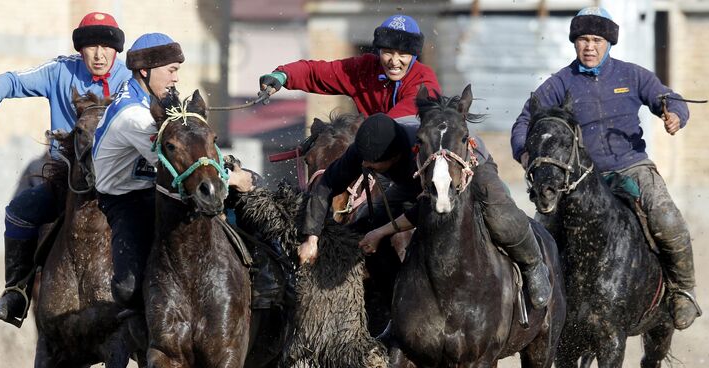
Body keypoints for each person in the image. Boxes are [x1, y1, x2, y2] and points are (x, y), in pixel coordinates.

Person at [510, 6, 701, 329]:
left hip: (631, 168)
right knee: (543, 231)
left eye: (597, 39)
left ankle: (682, 290)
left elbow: (669, 98)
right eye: (583, 39)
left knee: (666, 217)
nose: (589, 46)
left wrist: (674, 114)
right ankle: (538, 297)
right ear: (574, 42)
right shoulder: (559, 83)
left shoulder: (633, 75)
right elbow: (524, 122)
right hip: (580, 178)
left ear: (608, 43)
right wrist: (525, 154)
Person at [0, 12, 130, 327]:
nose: (99, 54)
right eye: (90, 46)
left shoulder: (129, 80)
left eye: (106, 46)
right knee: (19, 210)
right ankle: (17, 290)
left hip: (117, 180)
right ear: (80, 49)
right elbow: (11, 80)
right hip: (67, 178)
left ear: (116, 50)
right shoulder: (59, 71)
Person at [305, 113, 552, 309]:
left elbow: (430, 208)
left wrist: (381, 233)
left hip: (466, 165)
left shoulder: (421, 151)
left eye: (372, 165)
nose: (365, 166)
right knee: (370, 217)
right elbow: (326, 184)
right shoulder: (365, 150)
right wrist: (312, 237)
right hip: (414, 180)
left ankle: (533, 265)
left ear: (394, 157)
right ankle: (389, 298)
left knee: (500, 216)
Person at [92, 33, 255, 310]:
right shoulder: (135, 116)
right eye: (171, 70)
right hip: (127, 201)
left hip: (152, 188)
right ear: (145, 71)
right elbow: (179, 164)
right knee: (128, 288)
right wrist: (233, 178)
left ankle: (258, 277)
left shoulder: (146, 96)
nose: (176, 79)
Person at [258, 14, 440, 123]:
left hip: (411, 162)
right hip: (370, 151)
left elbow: (399, 120)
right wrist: (283, 75)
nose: (394, 61)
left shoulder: (424, 78)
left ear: (414, 56)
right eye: (388, 52)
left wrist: (365, 130)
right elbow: (317, 73)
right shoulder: (364, 68)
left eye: (403, 54)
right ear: (379, 51)